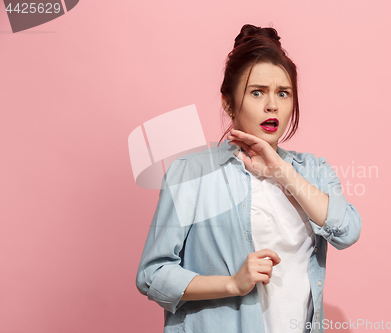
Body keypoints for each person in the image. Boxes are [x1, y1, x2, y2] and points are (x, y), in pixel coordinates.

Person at [135, 24, 362, 333]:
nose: (273, 105)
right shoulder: (192, 173)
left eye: (283, 93)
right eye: (257, 92)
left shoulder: (314, 170)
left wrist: (281, 171)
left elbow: (347, 231)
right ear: (228, 103)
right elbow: (153, 274)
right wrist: (231, 284)